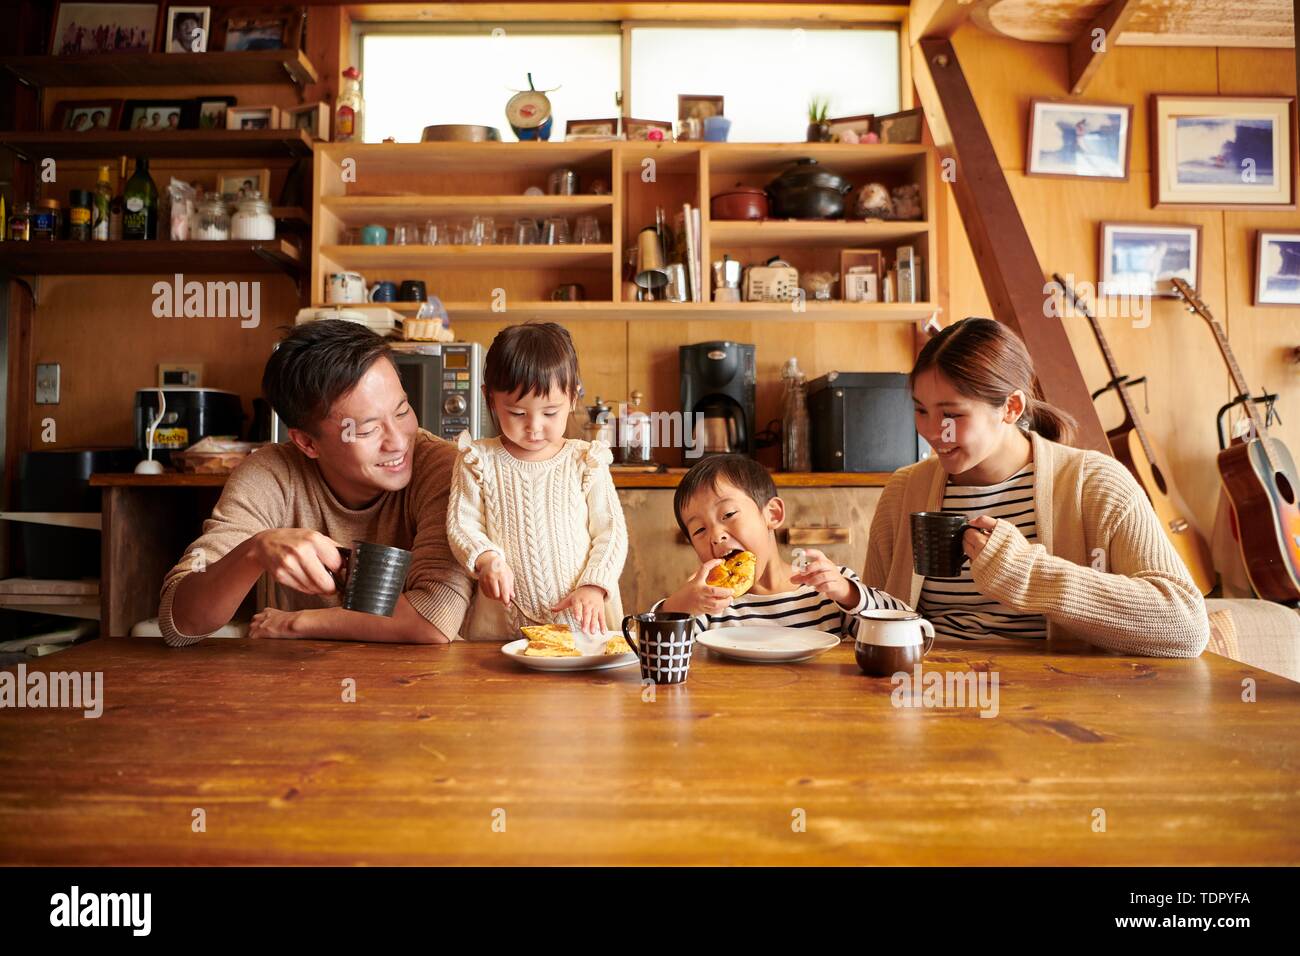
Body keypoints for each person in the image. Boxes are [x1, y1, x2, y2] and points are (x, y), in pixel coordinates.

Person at [864, 317, 1209, 657]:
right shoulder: (904, 490)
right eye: (921, 411)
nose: (933, 431)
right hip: (923, 693)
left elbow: (1186, 626)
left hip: (1054, 701)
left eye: (951, 415)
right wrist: (834, 591)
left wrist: (1027, 574)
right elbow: (870, 622)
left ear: (1011, 407)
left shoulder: (1095, 484)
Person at [158, 320, 472, 646]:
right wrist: (254, 551)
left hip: (424, 682)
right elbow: (181, 624)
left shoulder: (441, 467)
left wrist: (296, 624)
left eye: (402, 410)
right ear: (308, 443)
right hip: (302, 683)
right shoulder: (270, 475)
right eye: (366, 430)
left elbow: (432, 619)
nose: (397, 441)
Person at [447, 323, 627, 639]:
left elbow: (610, 533)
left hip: (583, 628)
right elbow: (463, 525)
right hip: (502, 631)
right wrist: (487, 560)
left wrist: (594, 583)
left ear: (573, 397)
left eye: (550, 413)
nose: (534, 427)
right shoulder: (478, 460)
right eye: (517, 413)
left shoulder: (586, 460)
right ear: (489, 397)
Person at [658, 454, 908, 635]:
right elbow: (646, 646)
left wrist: (848, 593)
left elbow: (906, 627)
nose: (716, 535)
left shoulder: (826, 590)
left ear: (772, 514)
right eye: (699, 530)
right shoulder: (710, 604)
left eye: (728, 515)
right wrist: (678, 604)